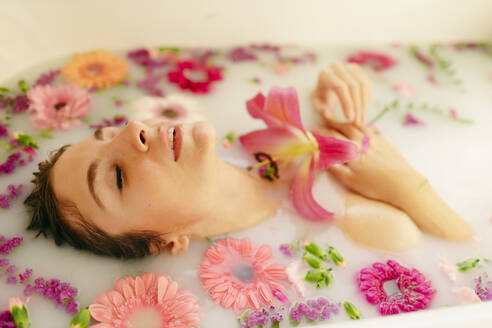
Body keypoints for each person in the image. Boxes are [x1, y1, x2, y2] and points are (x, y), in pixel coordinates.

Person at [24, 63, 472, 258]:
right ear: (165, 243)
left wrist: (342, 83)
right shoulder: (349, 225)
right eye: (117, 176)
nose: (130, 131)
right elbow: (464, 243)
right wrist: (406, 183)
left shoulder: (265, 136)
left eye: (107, 133)